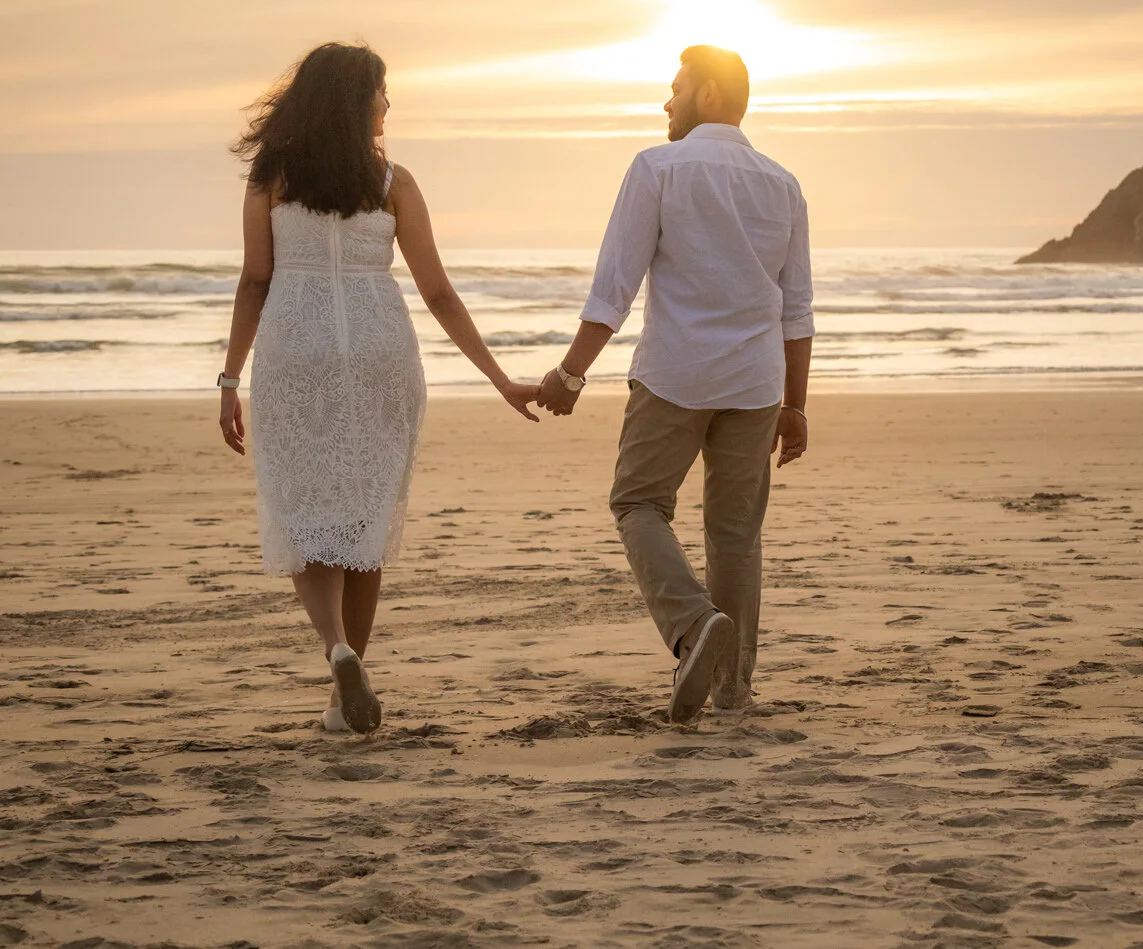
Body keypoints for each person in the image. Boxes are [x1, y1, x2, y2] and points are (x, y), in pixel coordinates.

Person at [218, 42, 541, 734]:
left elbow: (254, 280)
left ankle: (336, 651)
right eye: (382, 92)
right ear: (355, 100)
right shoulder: (395, 180)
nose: (388, 104)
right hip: (381, 353)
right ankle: (346, 687)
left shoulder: (270, 178)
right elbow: (439, 291)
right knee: (363, 517)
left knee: (303, 511)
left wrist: (228, 376)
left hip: (295, 352)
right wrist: (499, 377)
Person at [535, 44, 813, 726]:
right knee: (737, 535)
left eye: (677, 87)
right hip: (755, 383)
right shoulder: (783, 183)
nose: (667, 101)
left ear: (710, 95)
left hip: (675, 374)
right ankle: (733, 692)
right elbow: (797, 305)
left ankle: (693, 628)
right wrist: (796, 404)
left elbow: (615, 285)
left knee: (638, 503)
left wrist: (571, 372)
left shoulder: (656, 167)